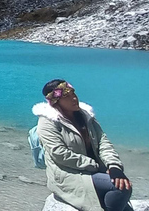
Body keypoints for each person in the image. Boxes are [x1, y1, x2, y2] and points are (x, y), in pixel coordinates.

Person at [33, 79, 133, 211]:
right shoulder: (47, 123)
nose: (74, 98)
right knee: (120, 188)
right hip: (68, 174)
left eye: (74, 93)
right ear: (56, 102)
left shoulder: (85, 116)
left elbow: (103, 142)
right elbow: (60, 154)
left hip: (93, 171)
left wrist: (114, 167)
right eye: (67, 97)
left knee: (122, 185)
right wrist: (95, 166)